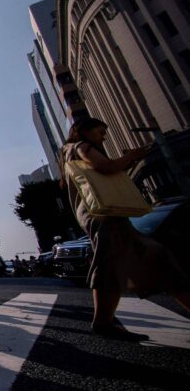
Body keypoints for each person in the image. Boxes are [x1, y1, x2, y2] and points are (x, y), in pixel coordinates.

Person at [61, 117, 190, 341]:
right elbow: (105, 167)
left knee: (153, 257)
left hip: (102, 214)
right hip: (104, 214)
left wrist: (127, 161)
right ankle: (103, 322)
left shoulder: (68, 152)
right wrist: (131, 156)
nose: (103, 137)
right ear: (86, 131)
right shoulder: (82, 147)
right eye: (100, 132)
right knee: (115, 262)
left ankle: (103, 322)